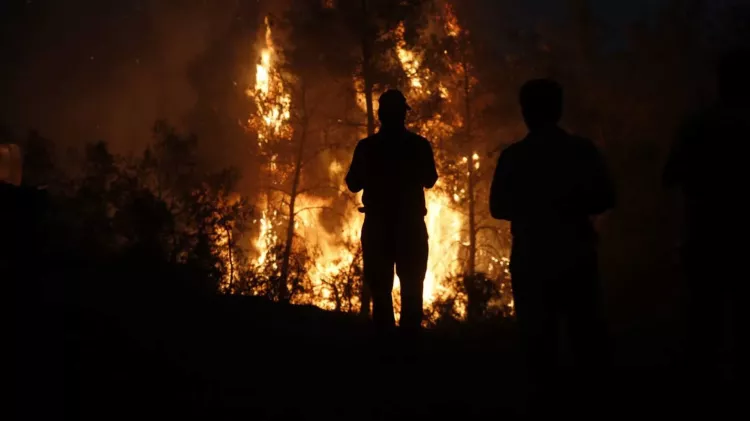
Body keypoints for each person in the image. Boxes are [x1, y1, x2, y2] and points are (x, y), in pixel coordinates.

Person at [489, 79, 615, 406]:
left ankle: (545, 403)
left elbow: (498, 207)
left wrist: (533, 207)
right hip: (576, 254)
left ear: (526, 112)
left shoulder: (515, 157)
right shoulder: (582, 151)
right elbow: (605, 197)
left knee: (538, 343)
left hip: (533, 257)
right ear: (558, 110)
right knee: (586, 340)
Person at [663, 49, 749, 405]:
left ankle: (702, 394)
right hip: (741, 239)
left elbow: (669, 176)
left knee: (703, 322)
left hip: (705, 236)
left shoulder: (697, 125)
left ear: (720, 82)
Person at [345, 89, 438, 333]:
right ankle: (410, 350)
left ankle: (384, 351)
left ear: (380, 115)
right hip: (410, 227)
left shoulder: (367, 147)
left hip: (378, 227)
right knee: (412, 291)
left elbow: (353, 183)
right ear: (402, 116)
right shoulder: (418, 145)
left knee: (381, 293)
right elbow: (430, 179)